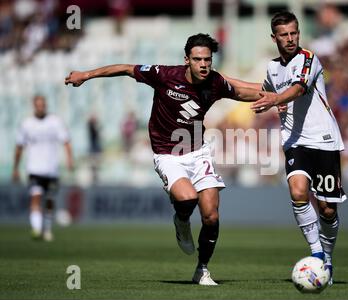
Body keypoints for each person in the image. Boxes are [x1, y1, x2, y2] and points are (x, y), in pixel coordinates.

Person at [64, 33, 266, 285]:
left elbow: (241, 92)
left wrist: (277, 96)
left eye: (207, 59)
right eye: (198, 59)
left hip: (198, 152)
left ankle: (202, 269)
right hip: (167, 155)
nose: (203, 64)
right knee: (187, 198)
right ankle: (181, 220)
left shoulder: (214, 82)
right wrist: (86, 74)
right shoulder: (164, 75)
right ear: (187, 60)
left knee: (211, 216)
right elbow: (127, 68)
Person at [224, 12, 346, 285]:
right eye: (284, 35)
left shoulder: (309, 59)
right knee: (298, 191)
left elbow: (298, 89)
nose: (290, 39)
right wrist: (225, 84)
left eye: (294, 33)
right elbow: (263, 91)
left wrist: (275, 99)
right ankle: (316, 254)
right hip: (295, 141)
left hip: (324, 140)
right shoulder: (272, 67)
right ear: (274, 38)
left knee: (327, 209)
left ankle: (327, 257)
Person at [12, 95, 74, 241]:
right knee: (35, 197)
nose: (40, 107)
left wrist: (70, 159)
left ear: (45, 105)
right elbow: (19, 147)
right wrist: (15, 167)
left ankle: (46, 229)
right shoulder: (26, 124)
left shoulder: (55, 121)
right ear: (34, 106)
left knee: (49, 200)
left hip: (52, 168)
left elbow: (66, 141)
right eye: (38, 105)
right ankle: (36, 229)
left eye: (43, 105)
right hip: (34, 169)